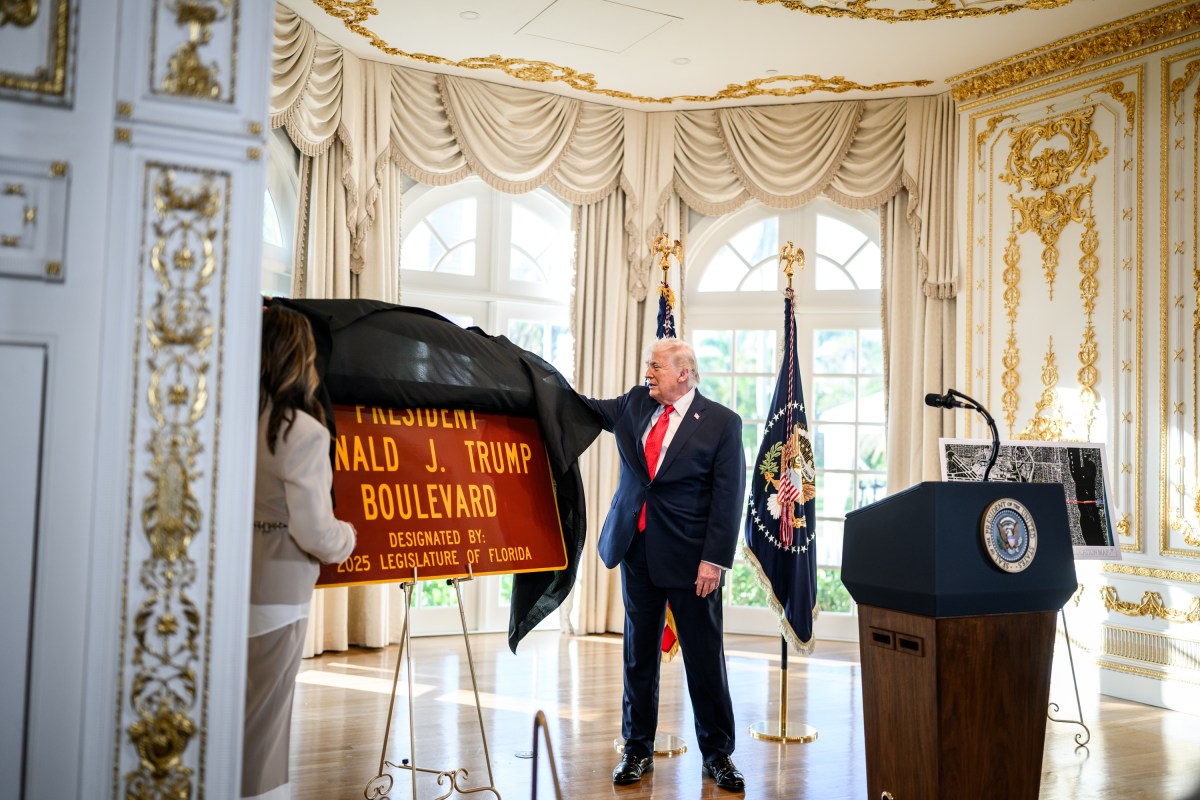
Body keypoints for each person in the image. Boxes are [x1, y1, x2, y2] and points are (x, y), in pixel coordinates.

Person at [582, 337, 747, 792]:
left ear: (684, 374)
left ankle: (718, 756)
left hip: (694, 562)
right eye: (648, 365)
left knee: (703, 660)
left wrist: (714, 560)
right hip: (637, 552)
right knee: (639, 657)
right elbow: (590, 410)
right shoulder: (635, 403)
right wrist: (536, 383)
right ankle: (637, 750)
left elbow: (728, 498)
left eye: (655, 366)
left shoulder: (721, 423)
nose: (647, 373)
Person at [243, 306, 357, 800]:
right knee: (265, 727)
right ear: (299, 358)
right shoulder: (302, 431)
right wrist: (348, 537)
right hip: (279, 590)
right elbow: (315, 531)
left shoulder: (231, 415)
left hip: (227, 583)